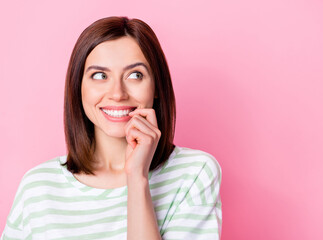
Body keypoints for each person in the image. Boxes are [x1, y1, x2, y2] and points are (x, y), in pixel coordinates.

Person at [1, 16, 222, 240]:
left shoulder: (193, 174)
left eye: (135, 75)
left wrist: (137, 178)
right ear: (79, 87)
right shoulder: (38, 186)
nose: (117, 93)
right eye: (100, 75)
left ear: (156, 86)